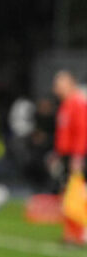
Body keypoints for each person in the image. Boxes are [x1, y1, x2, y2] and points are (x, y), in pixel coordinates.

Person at [50, 70, 87, 243]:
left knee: (76, 194)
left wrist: (78, 156)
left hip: (76, 156)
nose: (56, 88)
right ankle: (71, 233)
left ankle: (79, 232)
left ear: (71, 83)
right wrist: (57, 154)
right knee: (67, 194)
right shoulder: (66, 104)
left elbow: (82, 131)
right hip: (67, 155)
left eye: (60, 84)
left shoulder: (77, 103)